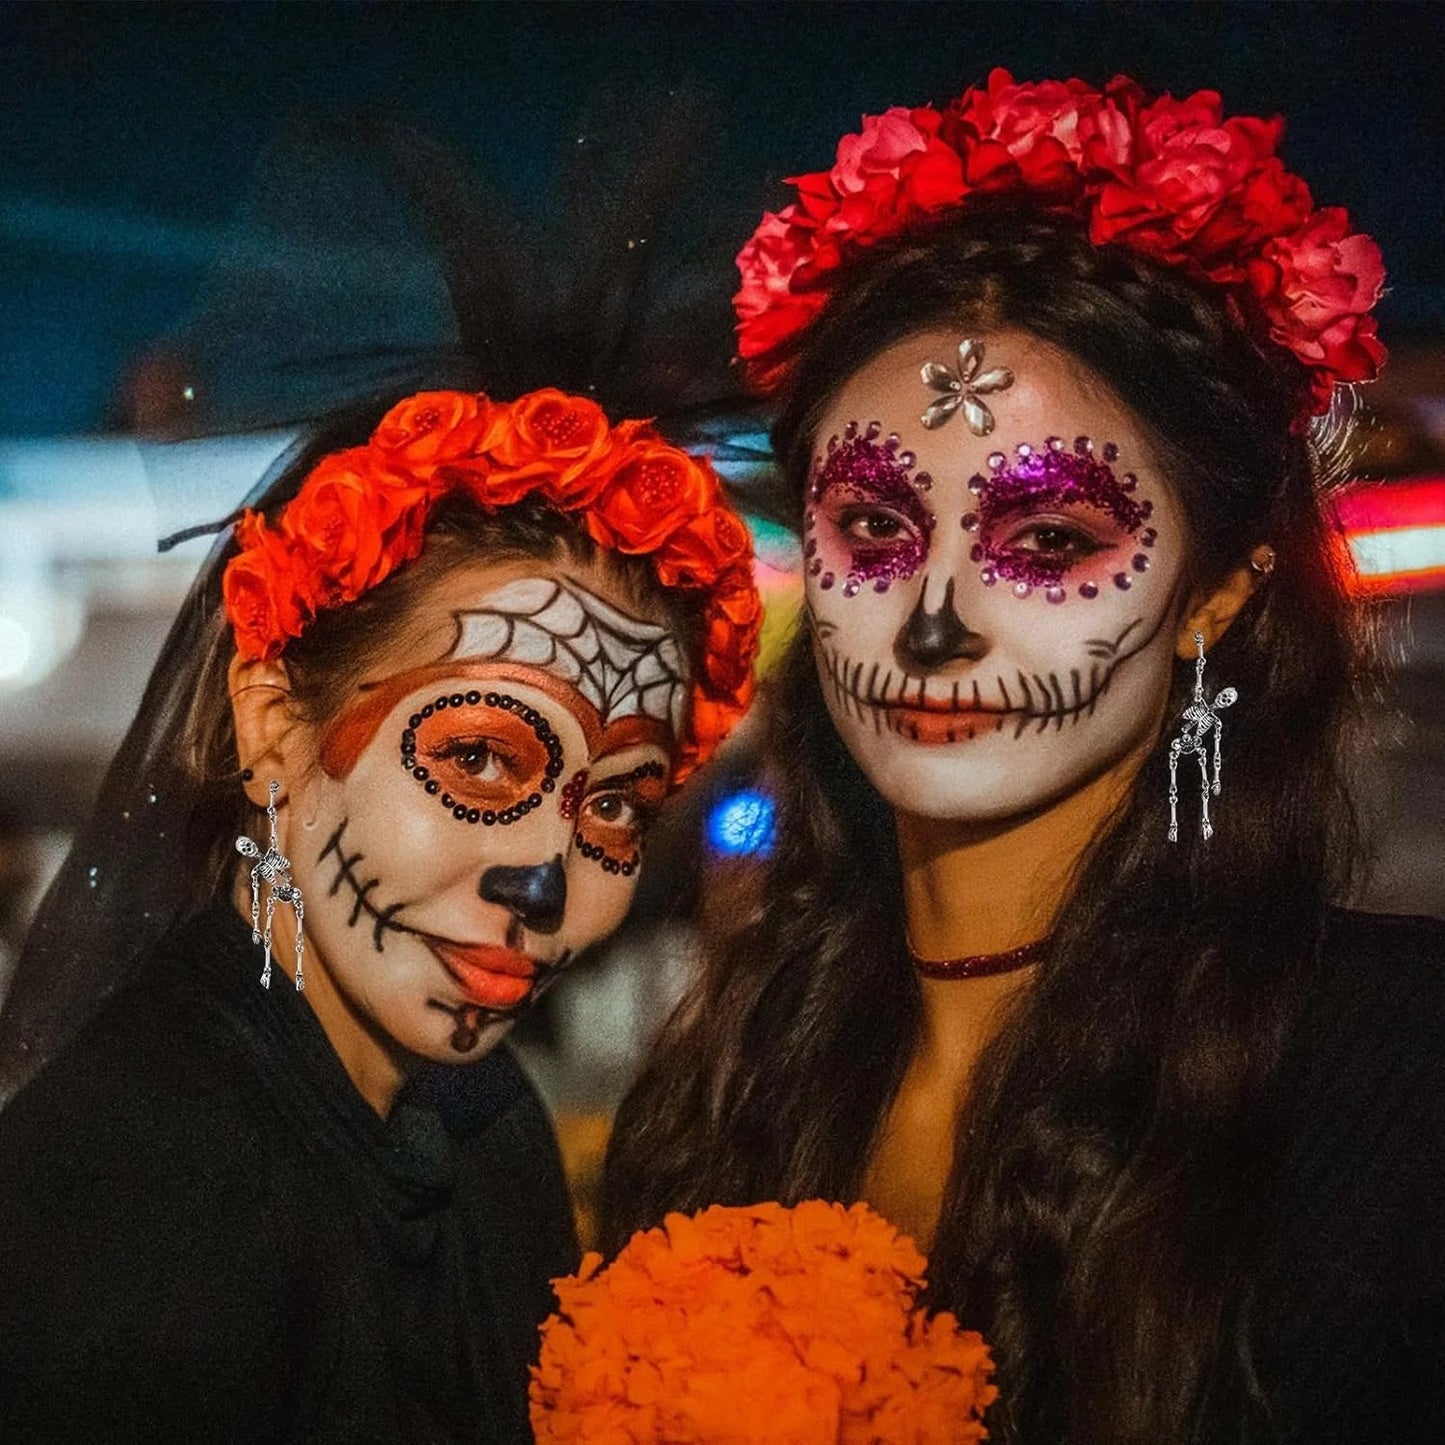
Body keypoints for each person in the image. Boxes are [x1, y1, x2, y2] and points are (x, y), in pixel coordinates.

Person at [603, 72, 1445, 1442]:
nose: (931, 621)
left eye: (1048, 541)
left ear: (1218, 595)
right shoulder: (727, 1082)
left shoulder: (1398, 1078)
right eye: (874, 528)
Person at [0, 387, 760, 1442]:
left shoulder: (482, 1114)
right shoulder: (135, 1195)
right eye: (481, 758)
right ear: (270, 725)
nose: (546, 882)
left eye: (619, 800)